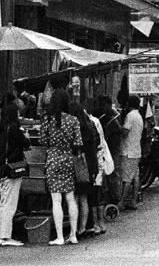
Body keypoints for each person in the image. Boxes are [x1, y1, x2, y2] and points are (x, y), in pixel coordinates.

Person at [40, 89, 82, 245]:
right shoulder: (73, 120)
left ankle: (59, 237)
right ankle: (73, 235)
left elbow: (43, 141)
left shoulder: (47, 120)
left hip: (52, 160)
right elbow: (78, 142)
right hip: (68, 160)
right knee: (70, 199)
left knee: (56, 200)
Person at [0, 101, 29, 247]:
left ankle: (1, 235)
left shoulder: (3, 129)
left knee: (3, 203)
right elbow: (25, 143)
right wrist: (25, 135)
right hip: (11, 170)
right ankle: (6, 237)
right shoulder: (14, 128)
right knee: (10, 204)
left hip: (1, 169)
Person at [70, 102, 100, 238]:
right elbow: (97, 142)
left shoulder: (76, 128)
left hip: (79, 165)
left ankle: (76, 228)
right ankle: (84, 227)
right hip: (91, 164)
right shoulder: (90, 125)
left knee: (76, 198)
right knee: (84, 198)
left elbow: (75, 146)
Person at [119, 95, 144, 211]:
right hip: (136, 150)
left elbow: (125, 132)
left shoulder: (130, 116)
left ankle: (122, 202)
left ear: (128, 104)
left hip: (128, 151)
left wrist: (118, 127)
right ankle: (133, 201)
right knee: (135, 176)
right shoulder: (139, 116)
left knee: (127, 178)